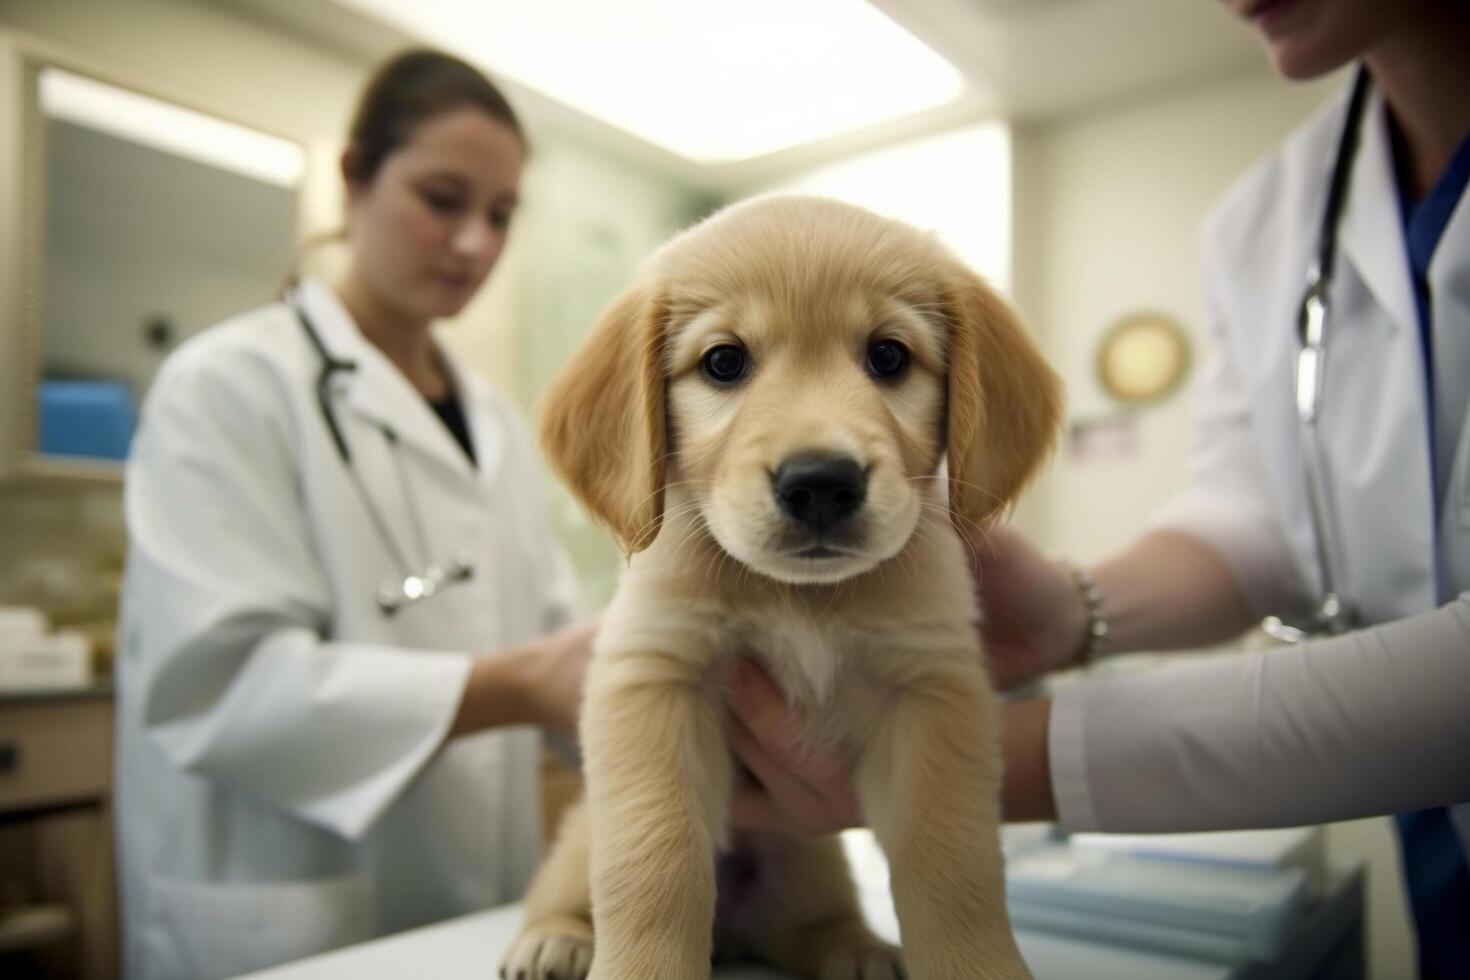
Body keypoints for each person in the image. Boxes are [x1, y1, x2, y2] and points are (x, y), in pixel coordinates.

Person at [726, 1, 1470, 976]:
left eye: (887, 356)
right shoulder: (1268, 220)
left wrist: (941, 765)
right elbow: (1253, 519)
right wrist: (1067, 612)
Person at [114, 49, 592, 980]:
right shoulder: (227, 386)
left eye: (500, 215)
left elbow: (557, 639)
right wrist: (521, 684)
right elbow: (217, 686)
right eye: (443, 199)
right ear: (354, 179)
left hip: (478, 907)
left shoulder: (493, 419)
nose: (474, 245)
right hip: (284, 913)